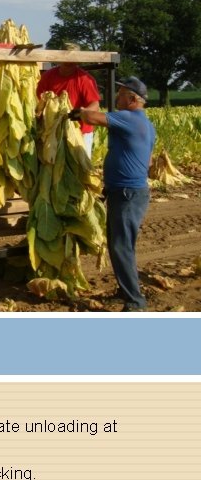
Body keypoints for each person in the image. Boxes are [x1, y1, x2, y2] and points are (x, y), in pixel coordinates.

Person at [75, 77, 156, 311]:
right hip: (129, 191)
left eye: (120, 94)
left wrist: (77, 111)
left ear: (133, 99)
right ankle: (126, 292)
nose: (116, 98)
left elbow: (91, 117)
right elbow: (149, 160)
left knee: (122, 247)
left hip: (128, 194)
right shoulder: (147, 125)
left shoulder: (129, 118)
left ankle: (135, 301)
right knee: (120, 245)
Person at [37, 42, 101, 158]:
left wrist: (82, 113)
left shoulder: (85, 79)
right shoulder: (47, 76)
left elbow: (94, 104)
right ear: (60, 59)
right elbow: (38, 100)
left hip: (80, 132)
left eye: (73, 60)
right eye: (66, 59)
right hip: (53, 131)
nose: (69, 62)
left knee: (80, 168)